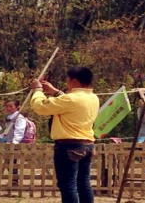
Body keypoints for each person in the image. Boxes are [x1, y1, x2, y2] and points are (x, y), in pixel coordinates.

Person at [30, 66, 99, 203]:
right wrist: (56, 92)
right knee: (83, 183)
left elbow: (41, 107)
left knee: (68, 185)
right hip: (87, 144)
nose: (67, 81)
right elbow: (70, 103)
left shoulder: (71, 99)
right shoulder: (93, 97)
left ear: (74, 81)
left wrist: (37, 90)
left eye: (68, 79)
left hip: (69, 145)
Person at [0, 100, 27, 186]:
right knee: (10, 161)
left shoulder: (19, 118)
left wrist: (15, 142)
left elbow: (19, 131)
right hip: (9, 142)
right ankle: (14, 179)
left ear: (17, 107)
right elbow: (7, 131)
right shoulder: (10, 117)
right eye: (7, 106)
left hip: (15, 142)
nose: (8, 108)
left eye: (11, 106)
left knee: (12, 160)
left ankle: (15, 180)